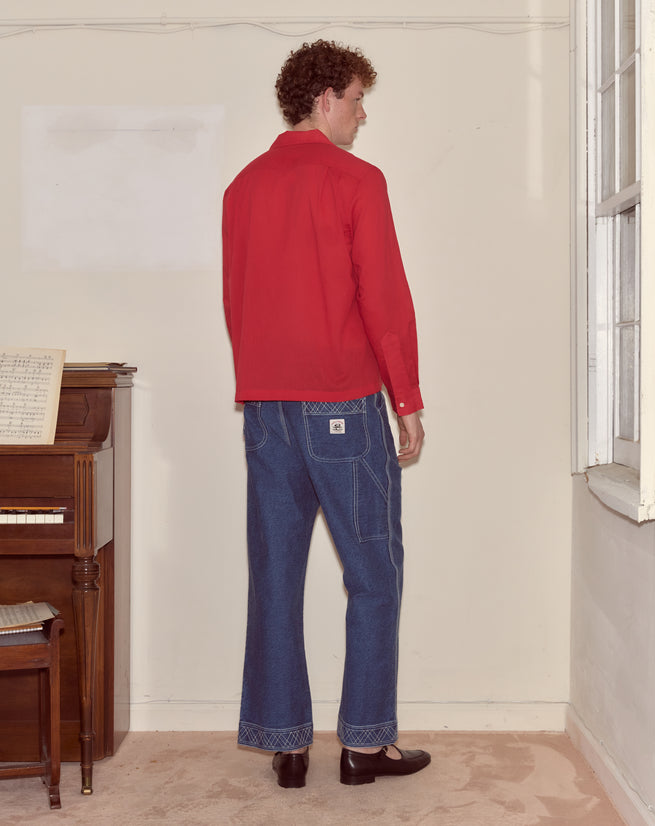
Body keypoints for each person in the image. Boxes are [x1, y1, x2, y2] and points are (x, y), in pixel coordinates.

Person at [222, 39, 429, 788]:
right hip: (341, 401)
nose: (362, 113)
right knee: (374, 571)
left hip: (265, 408)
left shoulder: (241, 187)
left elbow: (235, 303)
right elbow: (384, 298)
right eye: (357, 99)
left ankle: (285, 744)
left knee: (276, 572)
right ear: (324, 100)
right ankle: (364, 746)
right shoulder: (356, 180)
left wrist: (260, 382)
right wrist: (405, 399)